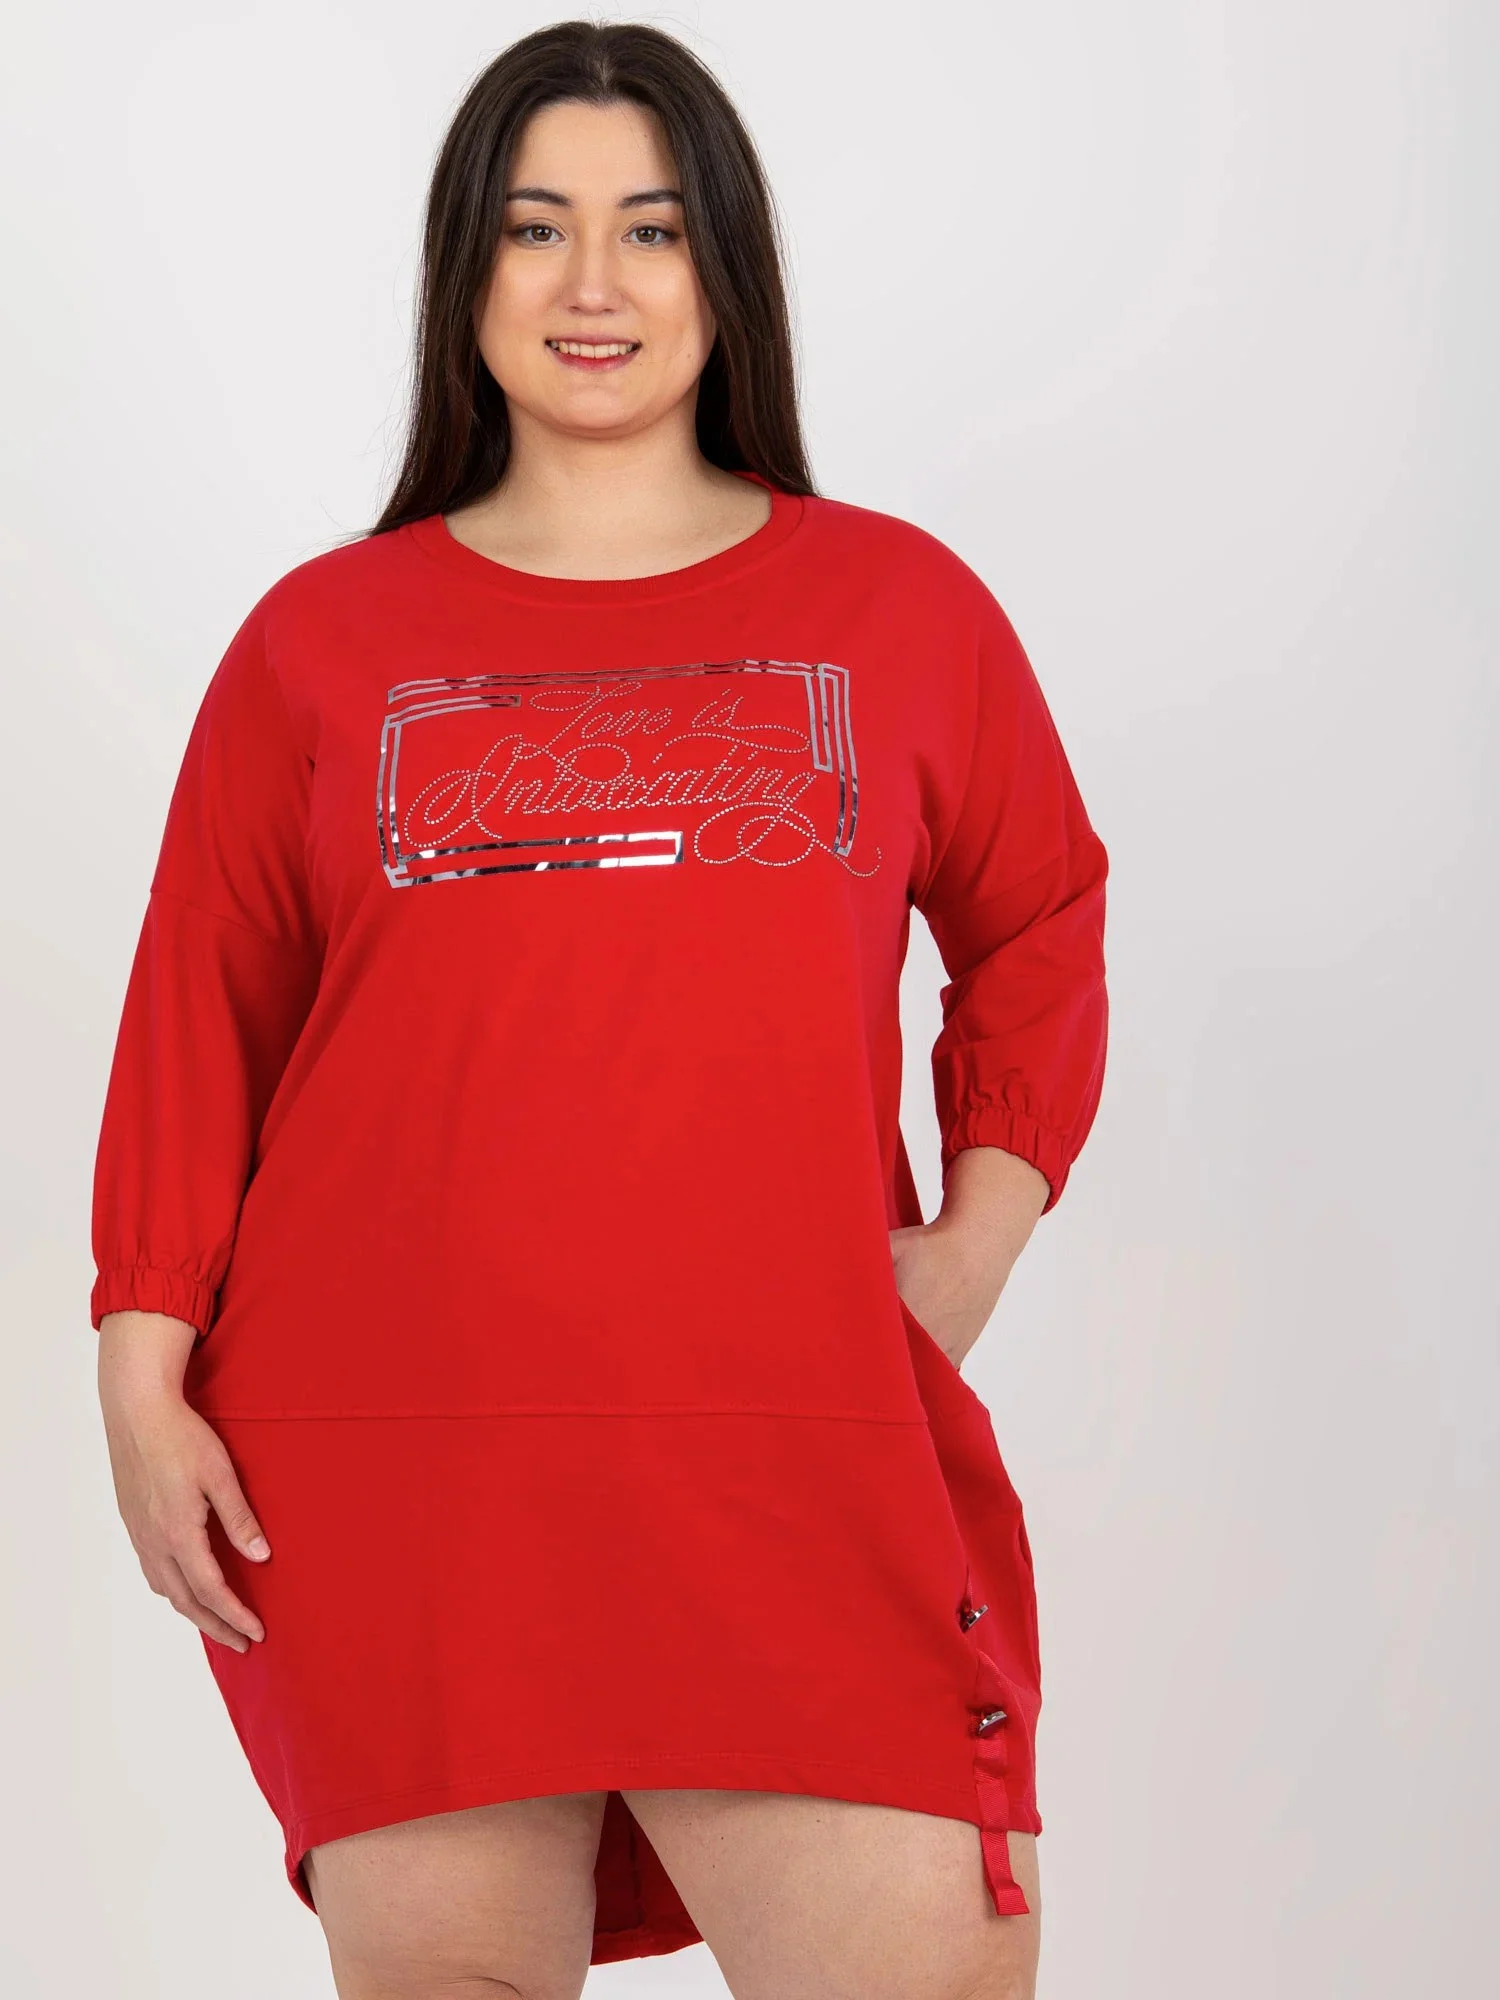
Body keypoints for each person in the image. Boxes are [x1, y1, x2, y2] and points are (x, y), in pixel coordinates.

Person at [90, 19, 1109, 2000]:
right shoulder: (319, 642)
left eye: (650, 228)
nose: (592, 284)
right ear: (463, 269)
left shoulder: (898, 610)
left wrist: (983, 1226)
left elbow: (1041, 913)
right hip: (398, 1464)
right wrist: (142, 1362)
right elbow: (202, 1004)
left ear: (724, 268)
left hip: (790, 1444)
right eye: (534, 225)